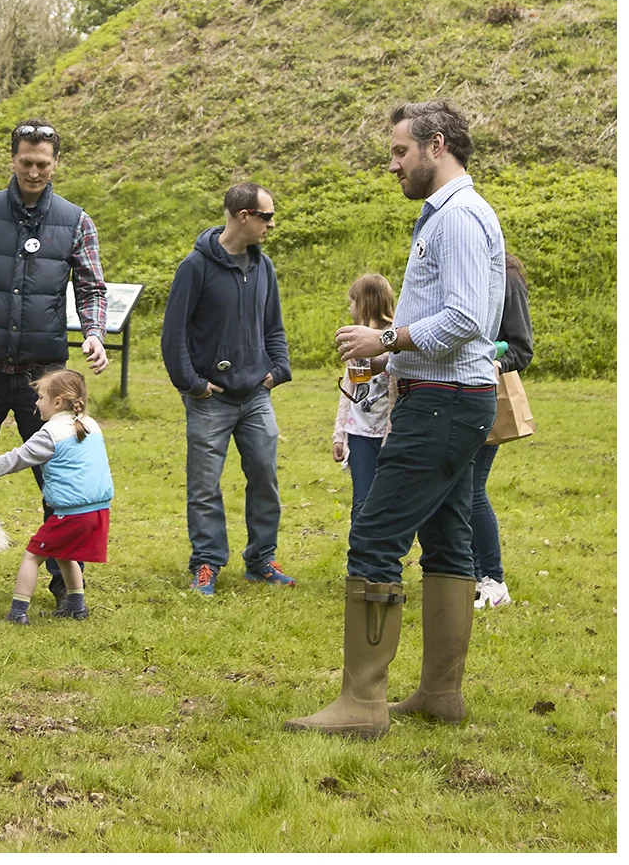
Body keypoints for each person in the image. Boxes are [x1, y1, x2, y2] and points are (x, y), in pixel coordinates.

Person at [285, 99, 504, 739]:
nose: (393, 165)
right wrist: (392, 358)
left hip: (441, 403)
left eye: (400, 151)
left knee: (376, 535)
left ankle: (362, 702)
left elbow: (465, 319)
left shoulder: (457, 218)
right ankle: (441, 694)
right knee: (448, 539)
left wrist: (385, 339)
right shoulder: (455, 213)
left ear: (437, 146)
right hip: (453, 397)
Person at [0, 118, 108, 607]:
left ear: (56, 163)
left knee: (60, 482)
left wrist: (93, 333)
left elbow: (92, 288)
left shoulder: (76, 221)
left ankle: (66, 586)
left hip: (46, 380)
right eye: (26, 162)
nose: (34, 172)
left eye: (43, 164)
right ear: (12, 160)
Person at [161, 181, 294, 593]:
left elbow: (273, 326)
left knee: (265, 478)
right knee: (204, 486)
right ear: (244, 216)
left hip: (256, 396)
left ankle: (261, 560)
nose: (272, 225)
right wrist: (193, 384)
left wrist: (279, 369)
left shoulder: (263, 267)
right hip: (210, 400)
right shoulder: (195, 267)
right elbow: (173, 335)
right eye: (267, 217)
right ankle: (206, 563)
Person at [0, 369, 112, 624]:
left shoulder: (51, 433)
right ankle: (76, 606)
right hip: (98, 511)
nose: (36, 404)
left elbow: (13, 460)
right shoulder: (90, 424)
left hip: (72, 513)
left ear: (57, 402)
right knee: (64, 553)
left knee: (32, 555)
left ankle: (18, 613)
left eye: (40, 398)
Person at [473, 252, 533, 610]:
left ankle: (493, 581)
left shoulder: (508, 279)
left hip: (485, 397)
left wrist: (496, 362)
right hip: (457, 395)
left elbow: (522, 348)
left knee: (472, 490)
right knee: (458, 489)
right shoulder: (467, 271)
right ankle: (471, 576)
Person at [332, 274, 398, 520]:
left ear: (365, 303)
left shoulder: (396, 338)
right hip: (358, 434)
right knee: (362, 499)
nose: (350, 307)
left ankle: (382, 541)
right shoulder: (355, 341)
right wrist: (340, 434)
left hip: (388, 434)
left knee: (387, 498)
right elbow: (348, 390)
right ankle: (359, 544)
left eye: (352, 301)